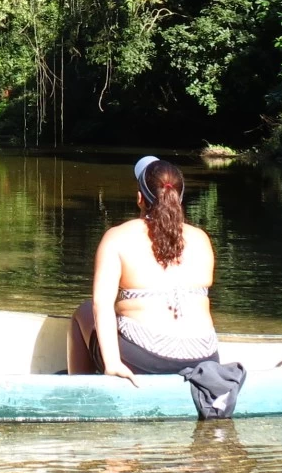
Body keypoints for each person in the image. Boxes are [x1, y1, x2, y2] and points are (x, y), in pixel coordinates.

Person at [69, 156, 219, 381]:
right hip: (204, 358)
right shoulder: (201, 239)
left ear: (140, 198)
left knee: (84, 311)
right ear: (178, 197)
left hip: (147, 359)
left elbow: (102, 305)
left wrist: (112, 363)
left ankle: (81, 396)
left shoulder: (117, 238)